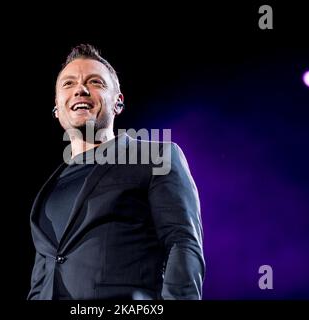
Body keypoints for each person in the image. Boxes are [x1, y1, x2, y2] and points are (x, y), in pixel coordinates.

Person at [28, 44, 205, 300]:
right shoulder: (50, 189)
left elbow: (182, 243)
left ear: (118, 102)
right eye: (68, 84)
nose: (80, 89)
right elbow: (42, 277)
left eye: (95, 81)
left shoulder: (155, 158)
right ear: (57, 108)